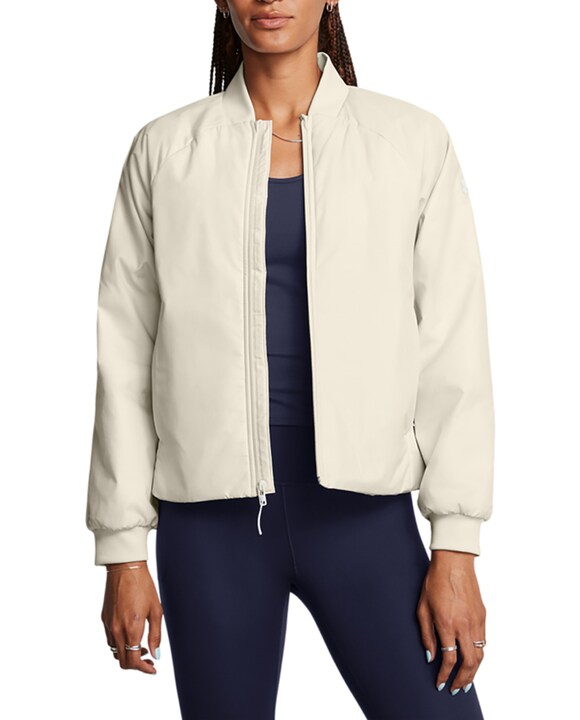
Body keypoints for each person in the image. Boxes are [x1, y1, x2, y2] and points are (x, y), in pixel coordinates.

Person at [85, 2, 495, 718]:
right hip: (209, 532)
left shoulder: (409, 143)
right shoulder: (166, 151)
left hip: (364, 523)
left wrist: (456, 547)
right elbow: (125, 355)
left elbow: (453, 350)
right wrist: (123, 549)